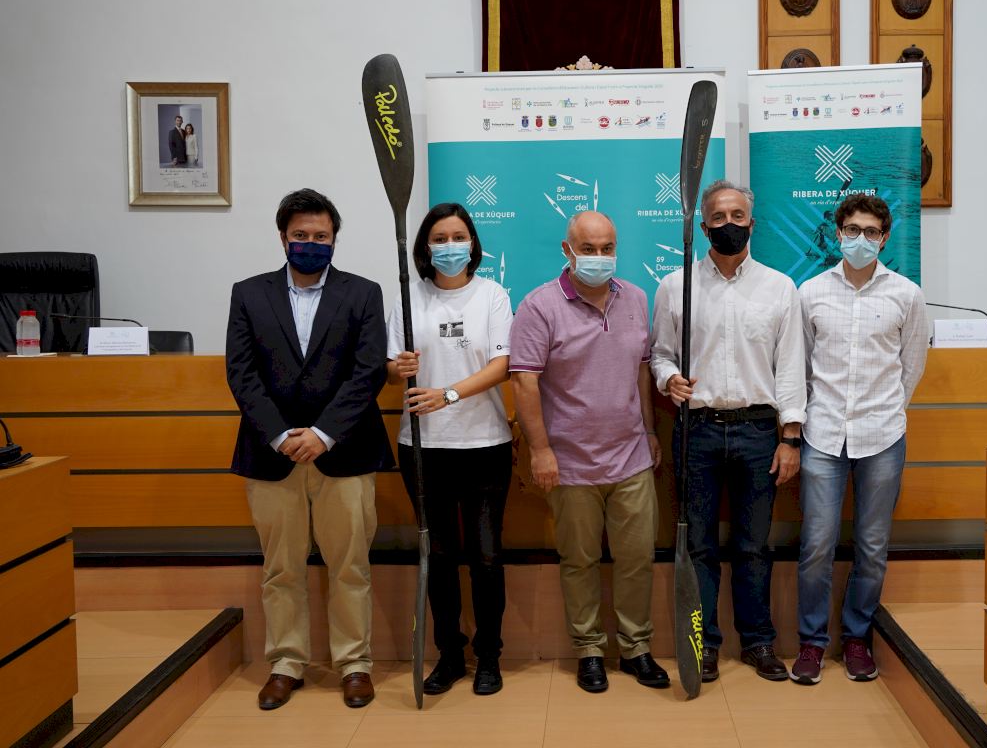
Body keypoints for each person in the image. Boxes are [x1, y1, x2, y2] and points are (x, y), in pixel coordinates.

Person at [225, 188, 393, 710]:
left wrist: (322, 433)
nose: (311, 243)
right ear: (283, 238)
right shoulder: (248, 293)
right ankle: (286, 663)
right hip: (270, 453)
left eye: (321, 236)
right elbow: (241, 373)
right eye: (301, 235)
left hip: (346, 450)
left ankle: (355, 664)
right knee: (282, 568)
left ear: (335, 239)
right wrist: (282, 435)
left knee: (350, 565)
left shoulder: (363, 293)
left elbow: (368, 371)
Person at [650, 180, 806, 684]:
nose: (729, 225)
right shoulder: (676, 286)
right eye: (718, 217)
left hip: (758, 432)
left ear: (752, 224)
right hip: (696, 430)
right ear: (703, 226)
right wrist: (668, 378)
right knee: (698, 545)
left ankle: (759, 641)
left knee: (753, 545)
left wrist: (790, 438)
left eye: (738, 216)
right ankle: (704, 644)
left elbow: (790, 368)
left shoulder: (780, 288)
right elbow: (660, 354)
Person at [510, 210, 667, 693]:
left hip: (631, 456)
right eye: (588, 249)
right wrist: (540, 450)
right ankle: (589, 650)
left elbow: (641, 370)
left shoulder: (635, 298)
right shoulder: (539, 306)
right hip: (570, 462)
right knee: (579, 561)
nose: (599, 257)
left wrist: (650, 429)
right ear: (567, 250)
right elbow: (524, 382)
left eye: (607, 248)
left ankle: (636, 648)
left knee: (637, 558)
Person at [792, 193, 929, 685]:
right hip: (823, 433)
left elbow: (911, 366)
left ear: (884, 238)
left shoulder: (907, 295)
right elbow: (800, 366)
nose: (861, 239)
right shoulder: (810, 293)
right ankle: (811, 643)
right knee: (816, 544)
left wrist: (886, 410)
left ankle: (856, 637)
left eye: (872, 232)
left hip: (883, 435)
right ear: (838, 233)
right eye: (853, 230)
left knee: (872, 546)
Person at [386, 203, 514, 696]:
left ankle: (489, 656)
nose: (450, 246)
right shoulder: (409, 296)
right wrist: (398, 368)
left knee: (486, 557)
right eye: (439, 238)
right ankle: (449, 655)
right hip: (424, 448)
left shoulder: (493, 295)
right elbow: (390, 367)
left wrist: (449, 394)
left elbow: (503, 365)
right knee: (438, 557)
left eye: (459, 236)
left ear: (473, 243)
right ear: (425, 247)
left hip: (484, 444)